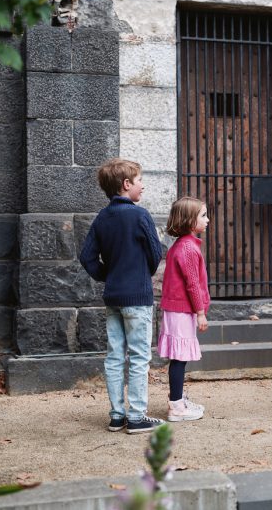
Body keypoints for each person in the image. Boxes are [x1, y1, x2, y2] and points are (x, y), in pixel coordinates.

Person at [79, 158, 165, 434]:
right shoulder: (140, 215)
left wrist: (108, 275)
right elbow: (155, 253)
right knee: (139, 356)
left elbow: (86, 256)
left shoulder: (103, 217)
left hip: (113, 296)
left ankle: (117, 415)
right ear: (126, 185)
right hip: (137, 297)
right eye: (140, 181)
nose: (143, 185)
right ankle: (137, 416)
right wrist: (142, 273)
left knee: (115, 356)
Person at [157, 196, 210, 422]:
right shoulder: (187, 248)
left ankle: (177, 399)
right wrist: (200, 313)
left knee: (179, 358)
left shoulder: (183, 245)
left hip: (177, 310)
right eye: (203, 216)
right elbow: (192, 283)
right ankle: (177, 407)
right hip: (181, 311)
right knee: (179, 359)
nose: (208, 220)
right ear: (190, 221)